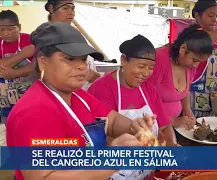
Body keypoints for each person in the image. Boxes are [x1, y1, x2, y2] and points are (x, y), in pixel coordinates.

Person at [6, 22, 155, 180]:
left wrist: (134, 127)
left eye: (83, 59)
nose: (81, 67)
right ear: (43, 62)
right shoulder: (35, 111)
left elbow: (111, 121)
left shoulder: (77, 96)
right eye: (70, 59)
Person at [88, 34, 177, 180]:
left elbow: (165, 126)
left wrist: (172, 145)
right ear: (123, 60)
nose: (146, 73)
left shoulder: (148, 88)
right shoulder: (102, 88)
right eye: (141, 66)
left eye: (150, 68)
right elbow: (102, 139)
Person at [148, 24, 213, 129]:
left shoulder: (190, 64)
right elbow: (144, 101)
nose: (195, 65)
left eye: (199, 62)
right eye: (195, 60)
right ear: (183, 49)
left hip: (174, 125)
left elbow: (185, 91)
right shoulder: (158, 61)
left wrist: (187, 109)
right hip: (153, 126)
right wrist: (172, 121)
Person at [44, 0, 101, 84]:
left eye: (73, 9)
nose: (71, 13)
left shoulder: (74, 32)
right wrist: (83, 73)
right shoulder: (46, 35)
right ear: (51, 9)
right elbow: (46, 68)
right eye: (65, 8)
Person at [0, 10, 35, 124]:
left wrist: (14, 73)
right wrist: (22, 55)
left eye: (10, 29)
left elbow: (37, 65)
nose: (6, 33)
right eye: (1, 29)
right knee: (10, 122)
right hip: (5, 98)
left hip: (29, 94)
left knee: (30, 121)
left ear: (19, 27)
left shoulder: (30, 40)